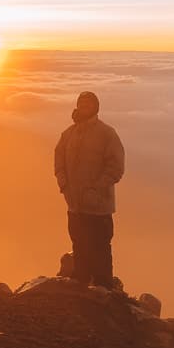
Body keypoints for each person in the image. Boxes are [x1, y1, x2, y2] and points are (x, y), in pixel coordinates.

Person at [53, 91, 125, 289]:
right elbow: (58, 158)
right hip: (75, 205)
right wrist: (63, 184)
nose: (84, 107)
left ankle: (104, 290)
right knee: (78, 244)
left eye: (88, 104)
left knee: (100, 247)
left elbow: (116, 167)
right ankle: (80, 284)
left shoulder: (107, 134)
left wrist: (96, 190)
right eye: (81, 103)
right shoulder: (68, 134)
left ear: (96, 108)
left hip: (99, 207)